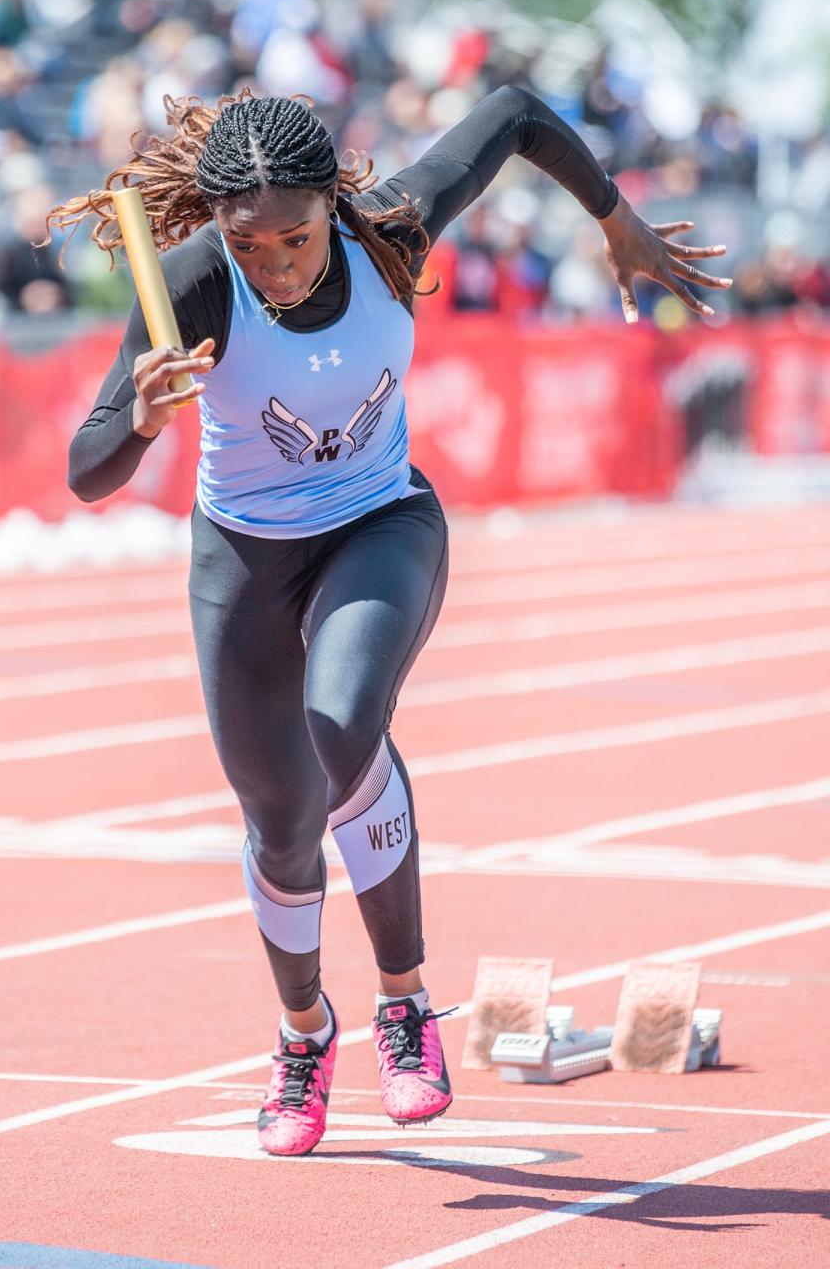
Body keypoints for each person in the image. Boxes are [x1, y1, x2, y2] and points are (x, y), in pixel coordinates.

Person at [46, 85, 731, 1157]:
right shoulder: (189, 284)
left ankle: (405, 1009)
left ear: (335, 205)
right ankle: (303, 1033)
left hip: (381, 523)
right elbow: (88, 472)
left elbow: (511, 113)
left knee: (343, 719)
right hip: (242, 563)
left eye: (296, 237)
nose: (275, 264)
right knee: (280, 822)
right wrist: (137, 418)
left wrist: (614, 218)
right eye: (251, 244)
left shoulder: (391, 234)